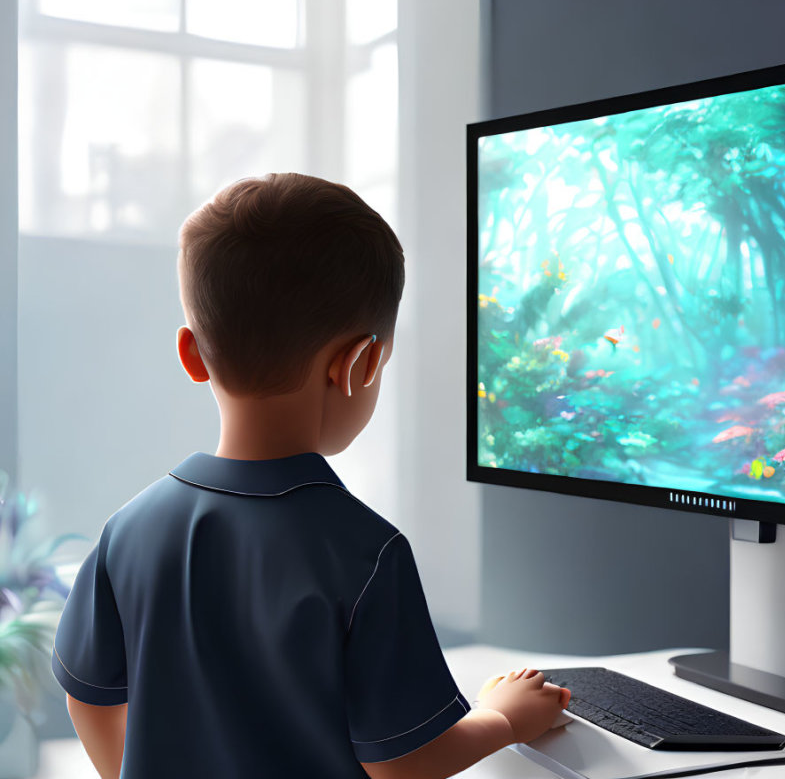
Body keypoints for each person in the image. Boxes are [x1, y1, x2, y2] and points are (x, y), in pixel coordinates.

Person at [51, 173, 570, 779]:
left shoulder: (129, 530)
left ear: (192, 354)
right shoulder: (366, 553)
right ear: (361, 363)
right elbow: (403, 762)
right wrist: (504, 717)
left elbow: (87, 697)